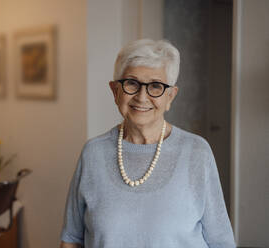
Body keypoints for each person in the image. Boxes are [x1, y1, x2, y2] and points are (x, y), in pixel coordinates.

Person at [60, 39, 236, 248]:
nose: (142, 97)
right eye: (132, 83)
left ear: (170, 96)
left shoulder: (197, 151)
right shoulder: (93, 153)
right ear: (115, 91)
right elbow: (71, 240)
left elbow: (221, 241)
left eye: (155, 86)